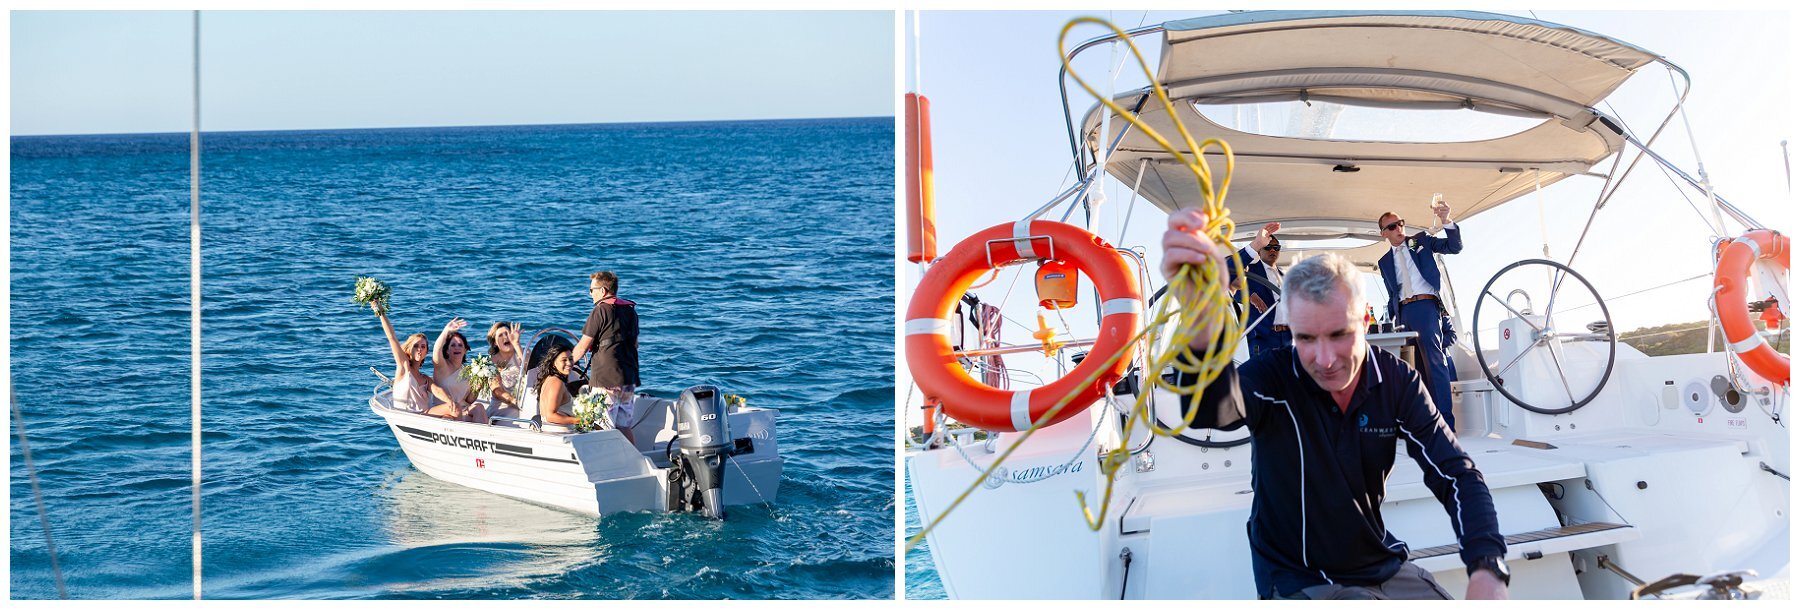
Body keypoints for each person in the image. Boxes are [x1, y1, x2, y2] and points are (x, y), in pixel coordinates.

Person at [1161, 208, 1508, 600]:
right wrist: (1201, 324)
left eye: (1339, 334)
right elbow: (1213, 410)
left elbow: (1456, 473)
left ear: (1365, 320)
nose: (1325, 359)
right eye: (1306, 338)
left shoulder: (1396, 379)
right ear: (1289, 329)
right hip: (1299, 577)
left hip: (1383, 564)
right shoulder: (1272, 375)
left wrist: (1487, 567)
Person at [1375, 200, 1463, 430]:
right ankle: (1424, 423)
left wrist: (1446, 222)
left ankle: (1446, 425)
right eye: (1392, 226)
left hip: (1426, 308)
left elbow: (1454, 247)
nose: (1398, 229)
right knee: (1412, 371)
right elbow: (1392, 293)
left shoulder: (1419, 242)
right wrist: (1390, 320)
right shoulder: (1383, 262)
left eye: (1400, 224)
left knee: (1435, 365)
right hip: (1403, 314)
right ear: (1383, 233)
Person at [570, 271, 641, 436]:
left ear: (602, 291)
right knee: (623, 427)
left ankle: (607, 461)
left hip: (606, 379)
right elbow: (635, 344)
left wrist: (565, 364)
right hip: (628, 378)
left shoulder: (600, 311)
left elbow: (582, 347)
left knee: (602, 427)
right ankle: (631, 459)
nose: (590, 294)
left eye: (592, 290)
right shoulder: (631, 311)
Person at [372, 308, 458, 416]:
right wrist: (380, 311)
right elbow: (392, 337)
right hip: (409, 417)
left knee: (454, 409)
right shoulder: (404, 368)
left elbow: (437, 391)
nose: (419, 349)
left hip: (425, 415)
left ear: (426, 351)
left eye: (423, 346)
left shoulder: (425, 378)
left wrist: (450, 401)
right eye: (416, 346)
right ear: (409, 349)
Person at [1232, 222, 1288, 358]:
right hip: (1262, 337)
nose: (1273, 250)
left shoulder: (1286, 276)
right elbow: (1232, 288)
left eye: (1276, 247)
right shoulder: (1249, 271)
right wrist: (1249, 295)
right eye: (1268, 247)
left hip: (1287, 337)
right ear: (1259, 251)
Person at [431, 317, 490, 425]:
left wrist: (477, 388)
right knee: (447, 418)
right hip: (446, 411)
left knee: (479, 407)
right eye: (453, 345)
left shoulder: (467, 371)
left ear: (465, 350)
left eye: (460, 345)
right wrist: (446, 331)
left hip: (463, 411)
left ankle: (483, 437)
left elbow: (469, 400)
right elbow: (436, 351)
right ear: (447, 351)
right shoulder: (442, 367)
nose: (456, 348)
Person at [484, 321, 527, 417]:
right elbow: (497, 390)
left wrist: (516, 344)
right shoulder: (492, 361)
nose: (505, 337)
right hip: (503, 405)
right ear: (495, 342)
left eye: (507, 333)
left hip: (526, 401)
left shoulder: (524, 352)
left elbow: (531, 370)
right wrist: (514, 401)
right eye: (500, 335)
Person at [535, 342, 579, 432]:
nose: (569, 363)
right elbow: (551, 416)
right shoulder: (557, 383)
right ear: (554, 363)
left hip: (549, 430)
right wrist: (580, 421)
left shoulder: (548, 379)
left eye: (571, 359)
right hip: (560, 433)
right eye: (564, 360)